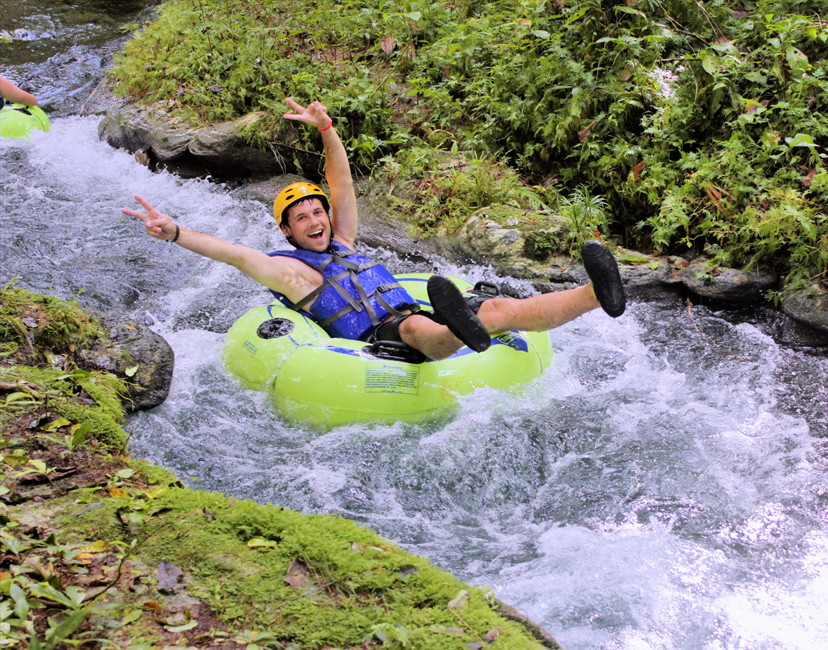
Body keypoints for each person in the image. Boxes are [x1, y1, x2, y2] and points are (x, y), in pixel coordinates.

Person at [123, 98, 625, 361]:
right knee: (415, 327)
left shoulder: (342, 242)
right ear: (289, 233)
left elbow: (340, 185)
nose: (317, 220)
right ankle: (458, 330)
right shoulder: (291, 273)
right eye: (303, 219)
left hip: (412, 309)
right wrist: (174, 232)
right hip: (382, 339)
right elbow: (232, 252)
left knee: (496, 307)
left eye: (317, 212)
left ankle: (595, 294)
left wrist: (326, 129)